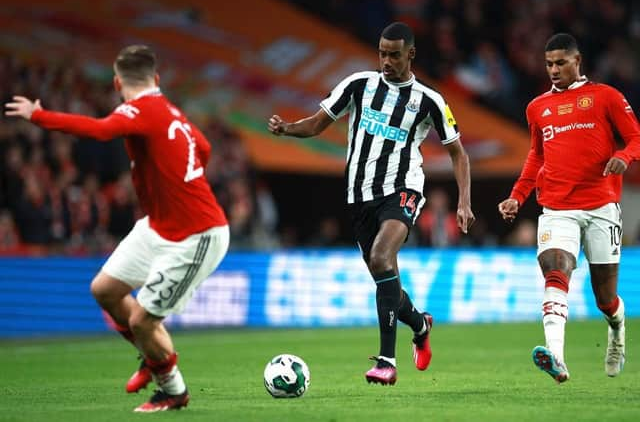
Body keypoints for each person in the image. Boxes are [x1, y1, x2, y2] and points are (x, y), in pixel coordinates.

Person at [5, 45, 229, 411]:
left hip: (197, 234)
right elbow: (202, 148)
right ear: (156, 79)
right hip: (159, 226)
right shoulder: (170, 110)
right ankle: (152, 355)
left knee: (142, 319)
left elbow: (99, 129)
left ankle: (173, 390)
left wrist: (40, 115)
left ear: (116, 83)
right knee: (105, 290)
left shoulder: (139, 109)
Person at [268, 22, 474, 385]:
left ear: (410, 54)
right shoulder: (359, 85)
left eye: (394, 55)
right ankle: (420, 325)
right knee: (385, 278)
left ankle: (387, 362)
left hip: (403, 189)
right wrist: (287, 128)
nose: (386, 61)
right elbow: (318, 124)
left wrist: (464, 202)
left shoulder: (429, 101)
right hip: (359, 196)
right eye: (382, 53)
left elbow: (458, 152)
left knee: (381, 258)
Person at [498, 33, 640, 383]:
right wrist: (518, 195)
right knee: (555, 268)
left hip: (601, 206)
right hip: (557, 207)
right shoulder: (537, 108)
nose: (554, 70)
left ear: (578, 61)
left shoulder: (606, 96)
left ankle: (617, 331)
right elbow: (536, 156)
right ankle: (556, 357)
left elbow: (636, 137)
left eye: (561, 62)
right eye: (549, 64)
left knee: (605, 298)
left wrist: (624, 156)